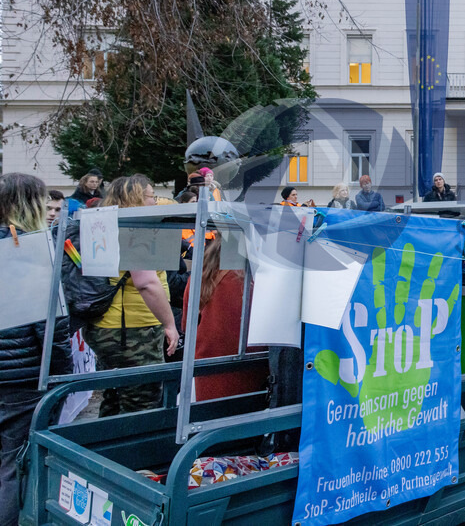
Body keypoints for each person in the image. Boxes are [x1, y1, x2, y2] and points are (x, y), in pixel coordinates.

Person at [0, 174, 72, 526]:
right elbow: (51, 329)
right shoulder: (31, 251)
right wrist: (64, 376)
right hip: (23, 377)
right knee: (15, 463)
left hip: (14, 372)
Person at [83, 175, 180, 417]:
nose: (155, 202)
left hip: (104, 326)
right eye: (151, 196)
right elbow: (146, 282)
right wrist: (169, 324)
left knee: (114, 397)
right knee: (141, 404)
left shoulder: (105, 225)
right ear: (136, 198)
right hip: (133, 330)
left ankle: (105, 440)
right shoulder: (134, 229)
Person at [182, 234, 268, 401]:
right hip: (249, 376)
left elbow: (187, 326)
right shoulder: (254, 281)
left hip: (207, 374)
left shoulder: (200, 273)